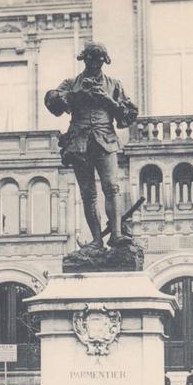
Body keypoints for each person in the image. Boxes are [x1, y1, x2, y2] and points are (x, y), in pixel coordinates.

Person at [44, 42, 138, 248]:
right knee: (88, 193)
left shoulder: (114, 84)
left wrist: (107, 101)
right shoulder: (71, 83)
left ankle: (116, 234)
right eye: (90, 59)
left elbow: (129, 115)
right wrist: (78, 95)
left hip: (105, 140)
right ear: (84, 59)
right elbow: (53, 105)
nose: (94, 64)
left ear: (104, 61)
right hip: (79, 143)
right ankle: (96, 240)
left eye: (99, 60)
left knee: (112, 187)